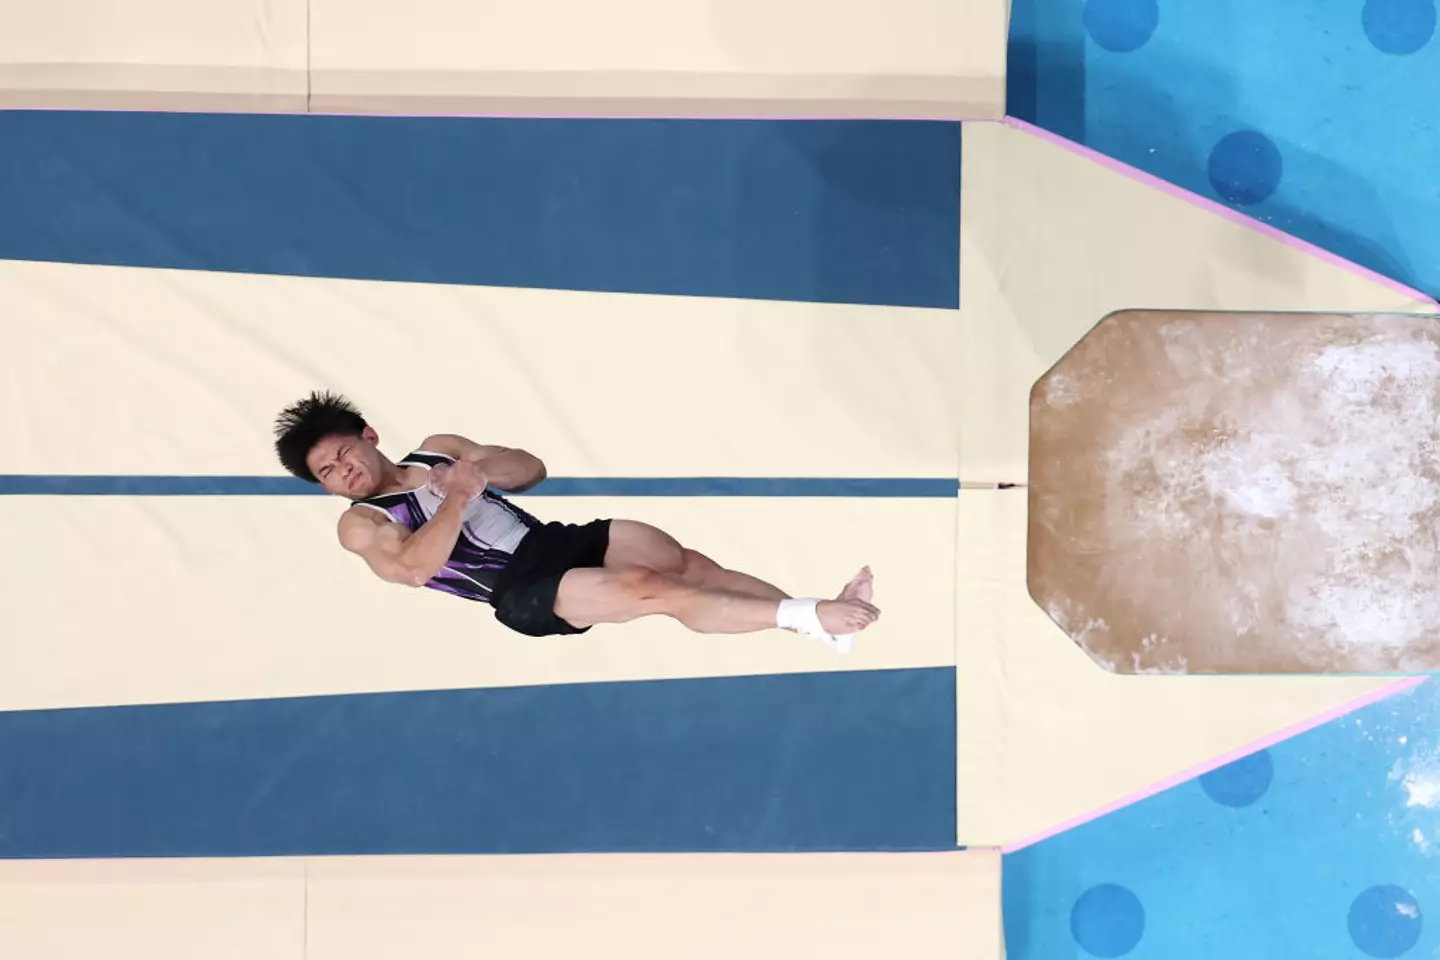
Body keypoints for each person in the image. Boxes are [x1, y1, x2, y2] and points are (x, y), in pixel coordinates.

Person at [272, 391, 879, 650]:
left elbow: (531, 469)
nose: (343, 471)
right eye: (326, 472)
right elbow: (409, 570)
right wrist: (456, 499)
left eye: (343, 453)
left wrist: (476, 470)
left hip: (551, 541)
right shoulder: (359, 523)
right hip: (519, 590)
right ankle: (813, 617)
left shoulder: (438, 446)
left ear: (368, 435)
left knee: (690, 566)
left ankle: (810, 621)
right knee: (655, 590)